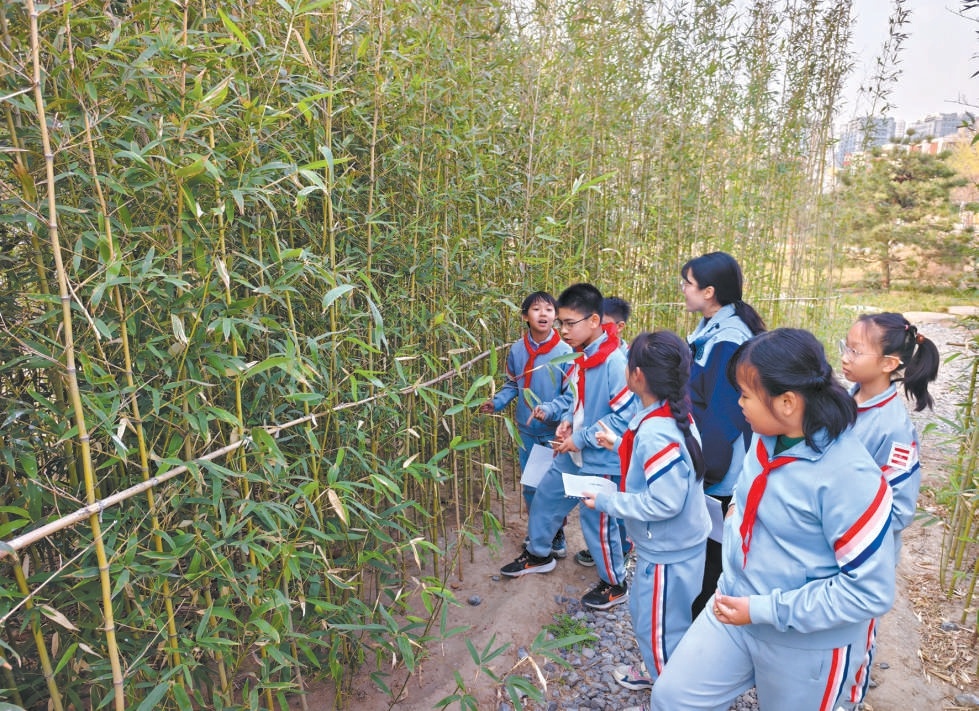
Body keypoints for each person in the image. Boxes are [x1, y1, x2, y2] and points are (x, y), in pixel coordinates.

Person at [643, 329, 896, 711]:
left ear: (788, 402)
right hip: (734, 606)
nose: (739, 404)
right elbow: (754, 489)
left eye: (746, 395)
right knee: (673, 697)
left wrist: (763, 610)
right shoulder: (768, 436)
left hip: (805, 643)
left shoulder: (849, 477)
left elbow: (868, 592)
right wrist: (738, 513)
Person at [580, 330, 710, 696]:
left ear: (637, 375)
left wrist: (606, 501)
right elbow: (661, 465)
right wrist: (619, 443)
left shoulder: (656, 432)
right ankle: (665, 672)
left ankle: (670, 693)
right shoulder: (670, 413)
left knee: (658, 629)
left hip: (668, 552)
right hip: (677, 545)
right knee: (660, 617)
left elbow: (664, 502)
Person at [500, 283, 637, 611]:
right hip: (573, 451)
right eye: (561, 322)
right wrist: (565, 421)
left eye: (569, 323)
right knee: (546, 497)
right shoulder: (580, 356)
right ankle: (539, 554)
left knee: (597, 523)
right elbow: (574, 399)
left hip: (601, 458)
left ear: (594, 321)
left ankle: (614, 583)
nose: (562, 330)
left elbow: (624, 417)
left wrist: (582, 436)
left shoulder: (614, 362)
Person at [835, 312, 940, 709]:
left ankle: (849, 699)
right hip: (834, 544)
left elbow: (898, 510)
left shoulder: (893, 428)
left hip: (863, 557)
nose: (844, 357)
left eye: (855, 351)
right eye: (845, 346)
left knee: (854, 641)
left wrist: (844, 518)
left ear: (889, 364)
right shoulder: (848, 399)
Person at [682, 252, 766, 618]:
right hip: (709, 459)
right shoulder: (711, 328)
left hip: (720, 468)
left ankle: (702, 628)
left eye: (687, 283)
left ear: (709, 291)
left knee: (712, 559)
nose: (683, 290)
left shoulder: (729, 339)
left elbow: (725, 414)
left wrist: (706, 469)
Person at [479, 291, 573, 557]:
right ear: (525, 316)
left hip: (553, 432)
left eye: (549, 309)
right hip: (526, 431)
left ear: (556, 316)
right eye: (536, 309)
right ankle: (539, 530)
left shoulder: (565, 352)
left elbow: (571, 396)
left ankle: (556, 532)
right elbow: (513, 384)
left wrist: (549, 410)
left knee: (553, 487)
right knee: (531, 486)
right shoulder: (518, 350)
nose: (543, 314)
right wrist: (497, 402)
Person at [575, 295, 634, 568]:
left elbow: (625, 414)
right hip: (595, 444)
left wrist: (585, 436)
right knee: (604, 510)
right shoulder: (587, 355)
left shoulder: (622, 360)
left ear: (619, 327)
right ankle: (610, 550)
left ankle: (617, 554)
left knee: (610, 507)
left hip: (611, 447)